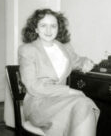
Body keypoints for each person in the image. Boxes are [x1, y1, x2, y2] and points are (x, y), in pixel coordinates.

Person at [18, 8, 100, 136]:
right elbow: (33, 86)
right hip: (38, 103)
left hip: (61, 100)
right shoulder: (27, 50)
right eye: (43, 26)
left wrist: (86, 62)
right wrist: (69, 90)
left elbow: (77, 61)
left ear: (58, 28)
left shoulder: (64, 48)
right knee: (83, 103)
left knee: (84, 105)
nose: (49, 30)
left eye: (53, 26)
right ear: (36, 29)